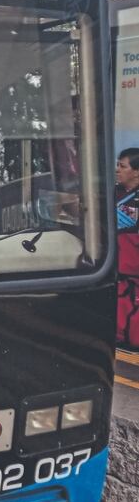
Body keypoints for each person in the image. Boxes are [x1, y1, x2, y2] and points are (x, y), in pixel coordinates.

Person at [116, 148, 139, 351]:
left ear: (137, 172)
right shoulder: (116, 194)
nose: (117, 170)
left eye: (122, 166)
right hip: (119, 278)